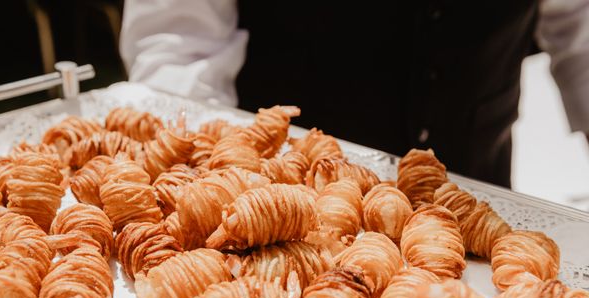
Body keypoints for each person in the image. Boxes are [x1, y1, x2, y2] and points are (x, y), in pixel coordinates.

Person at [120, 1, 589, 188]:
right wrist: (214, 187)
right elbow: (177, 49)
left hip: (481, 194)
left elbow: (576, 19)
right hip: (287, 228)